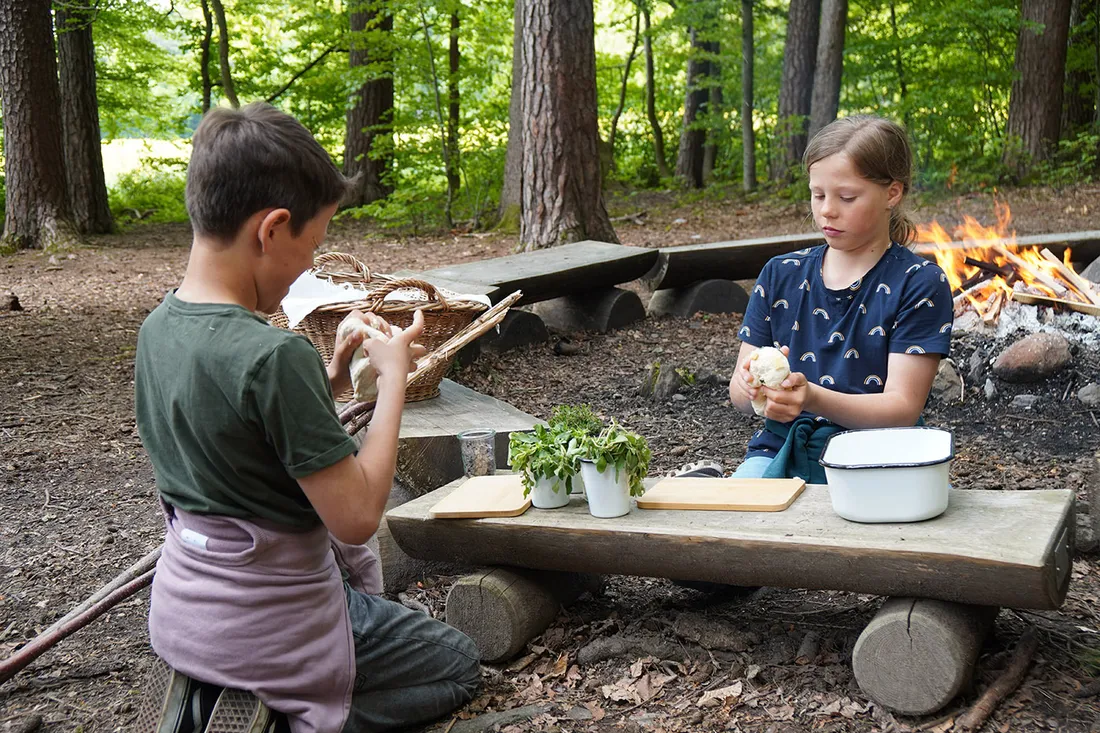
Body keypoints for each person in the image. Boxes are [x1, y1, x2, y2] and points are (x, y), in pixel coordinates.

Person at [134, 102, 480, 733]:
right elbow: (354, 518)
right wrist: (396, 381)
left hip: (189, 608)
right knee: (457, 661)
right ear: (272, 229)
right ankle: (294, 711)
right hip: (271, 622)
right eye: (312, 246)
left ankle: (233, 688)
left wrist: (336, 372)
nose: (305, 272)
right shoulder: (273, 353)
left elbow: (249, 441)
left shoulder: (160, 329)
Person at [727, 115, 953, 481]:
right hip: (779, 449)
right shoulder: (780, 274)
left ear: (892, 194)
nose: (827, 209)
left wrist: (811, 398)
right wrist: (752, 390)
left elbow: (903, 408)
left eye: (846, 196)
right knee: (744, 524)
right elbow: (738, 391)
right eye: (818, 195)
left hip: (877, 460)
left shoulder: (919, 282)